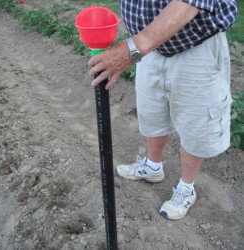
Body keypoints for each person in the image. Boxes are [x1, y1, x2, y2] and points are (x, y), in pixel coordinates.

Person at [88, 0, 237, 220]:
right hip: (149, 48)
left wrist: (134, 49)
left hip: (195, 47)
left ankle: (187, 187)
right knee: (152, 111)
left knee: (196, 124)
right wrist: (140, 46)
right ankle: (152, 166)